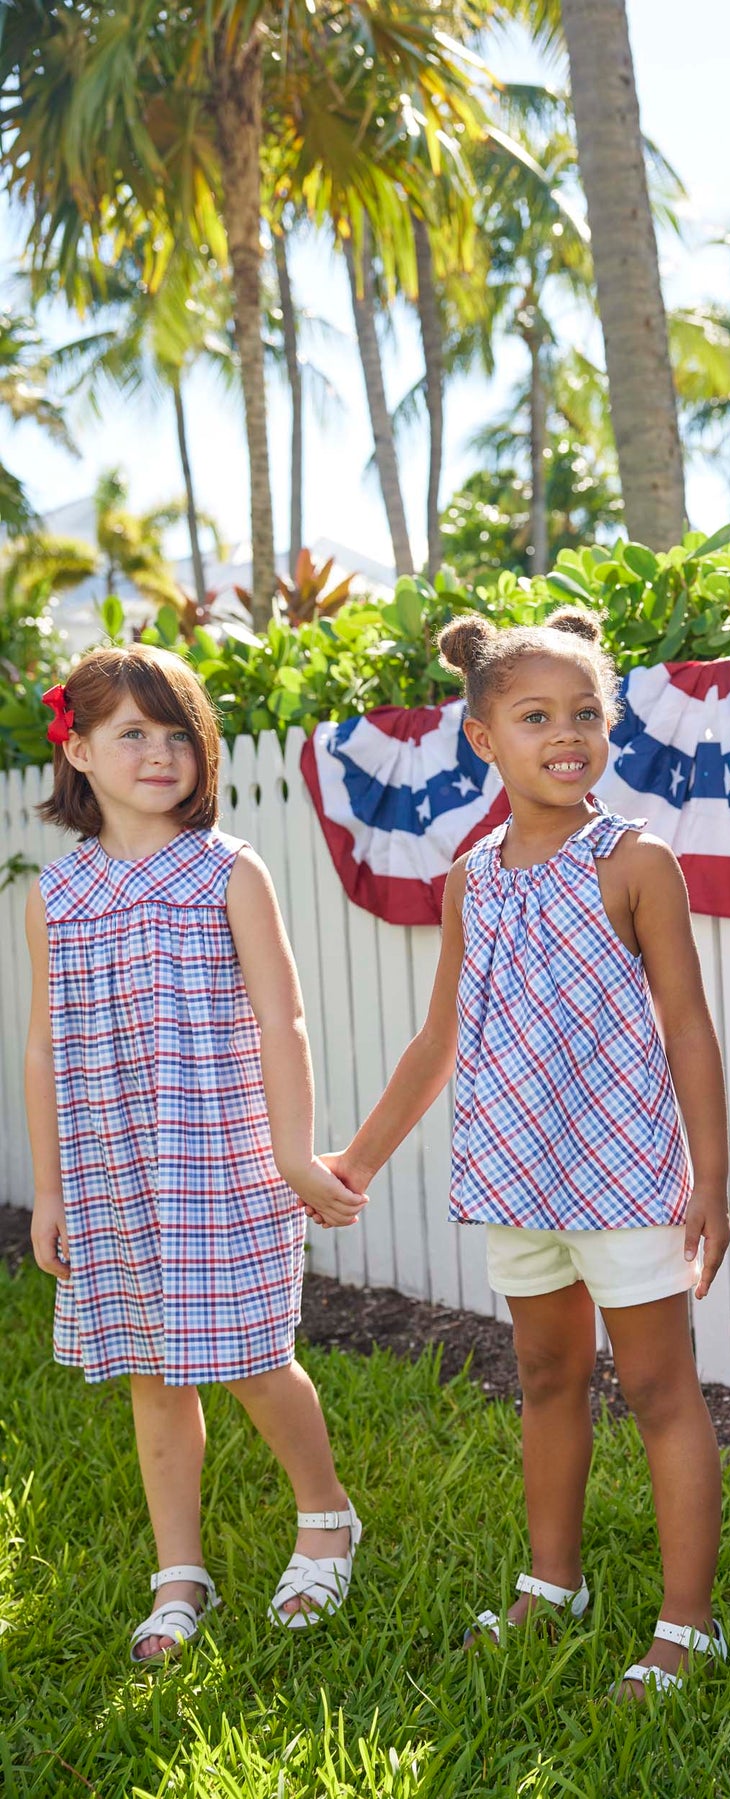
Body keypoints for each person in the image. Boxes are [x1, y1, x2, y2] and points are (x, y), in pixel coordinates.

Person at [323, 608, 730, 1698]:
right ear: (483, 738)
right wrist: (355, 1162)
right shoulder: (473, 879)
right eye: (537, 714)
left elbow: (688, 1026)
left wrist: (713, 1180)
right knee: (547, 1375)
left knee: (656, 1385)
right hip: (517, 1179)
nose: (568, 733)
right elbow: (438, 1036)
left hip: (627, 1180)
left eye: (587, 713)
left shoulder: (634, 858)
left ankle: (688, 1626)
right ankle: (553, 1585)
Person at [24, 645, 368, 1664]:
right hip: (111, 1166)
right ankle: (179, 1570)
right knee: (150, 1369)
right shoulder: (59, 894)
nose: (161, 751)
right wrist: (49, 1188)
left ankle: (326, 1512)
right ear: (78, 749)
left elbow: (283, 1018)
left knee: (256, 1356)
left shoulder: (227, 868)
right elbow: (45, 1045)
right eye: (132, 732)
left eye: (179, 733)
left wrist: (294, 1152)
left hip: (219, 1157)